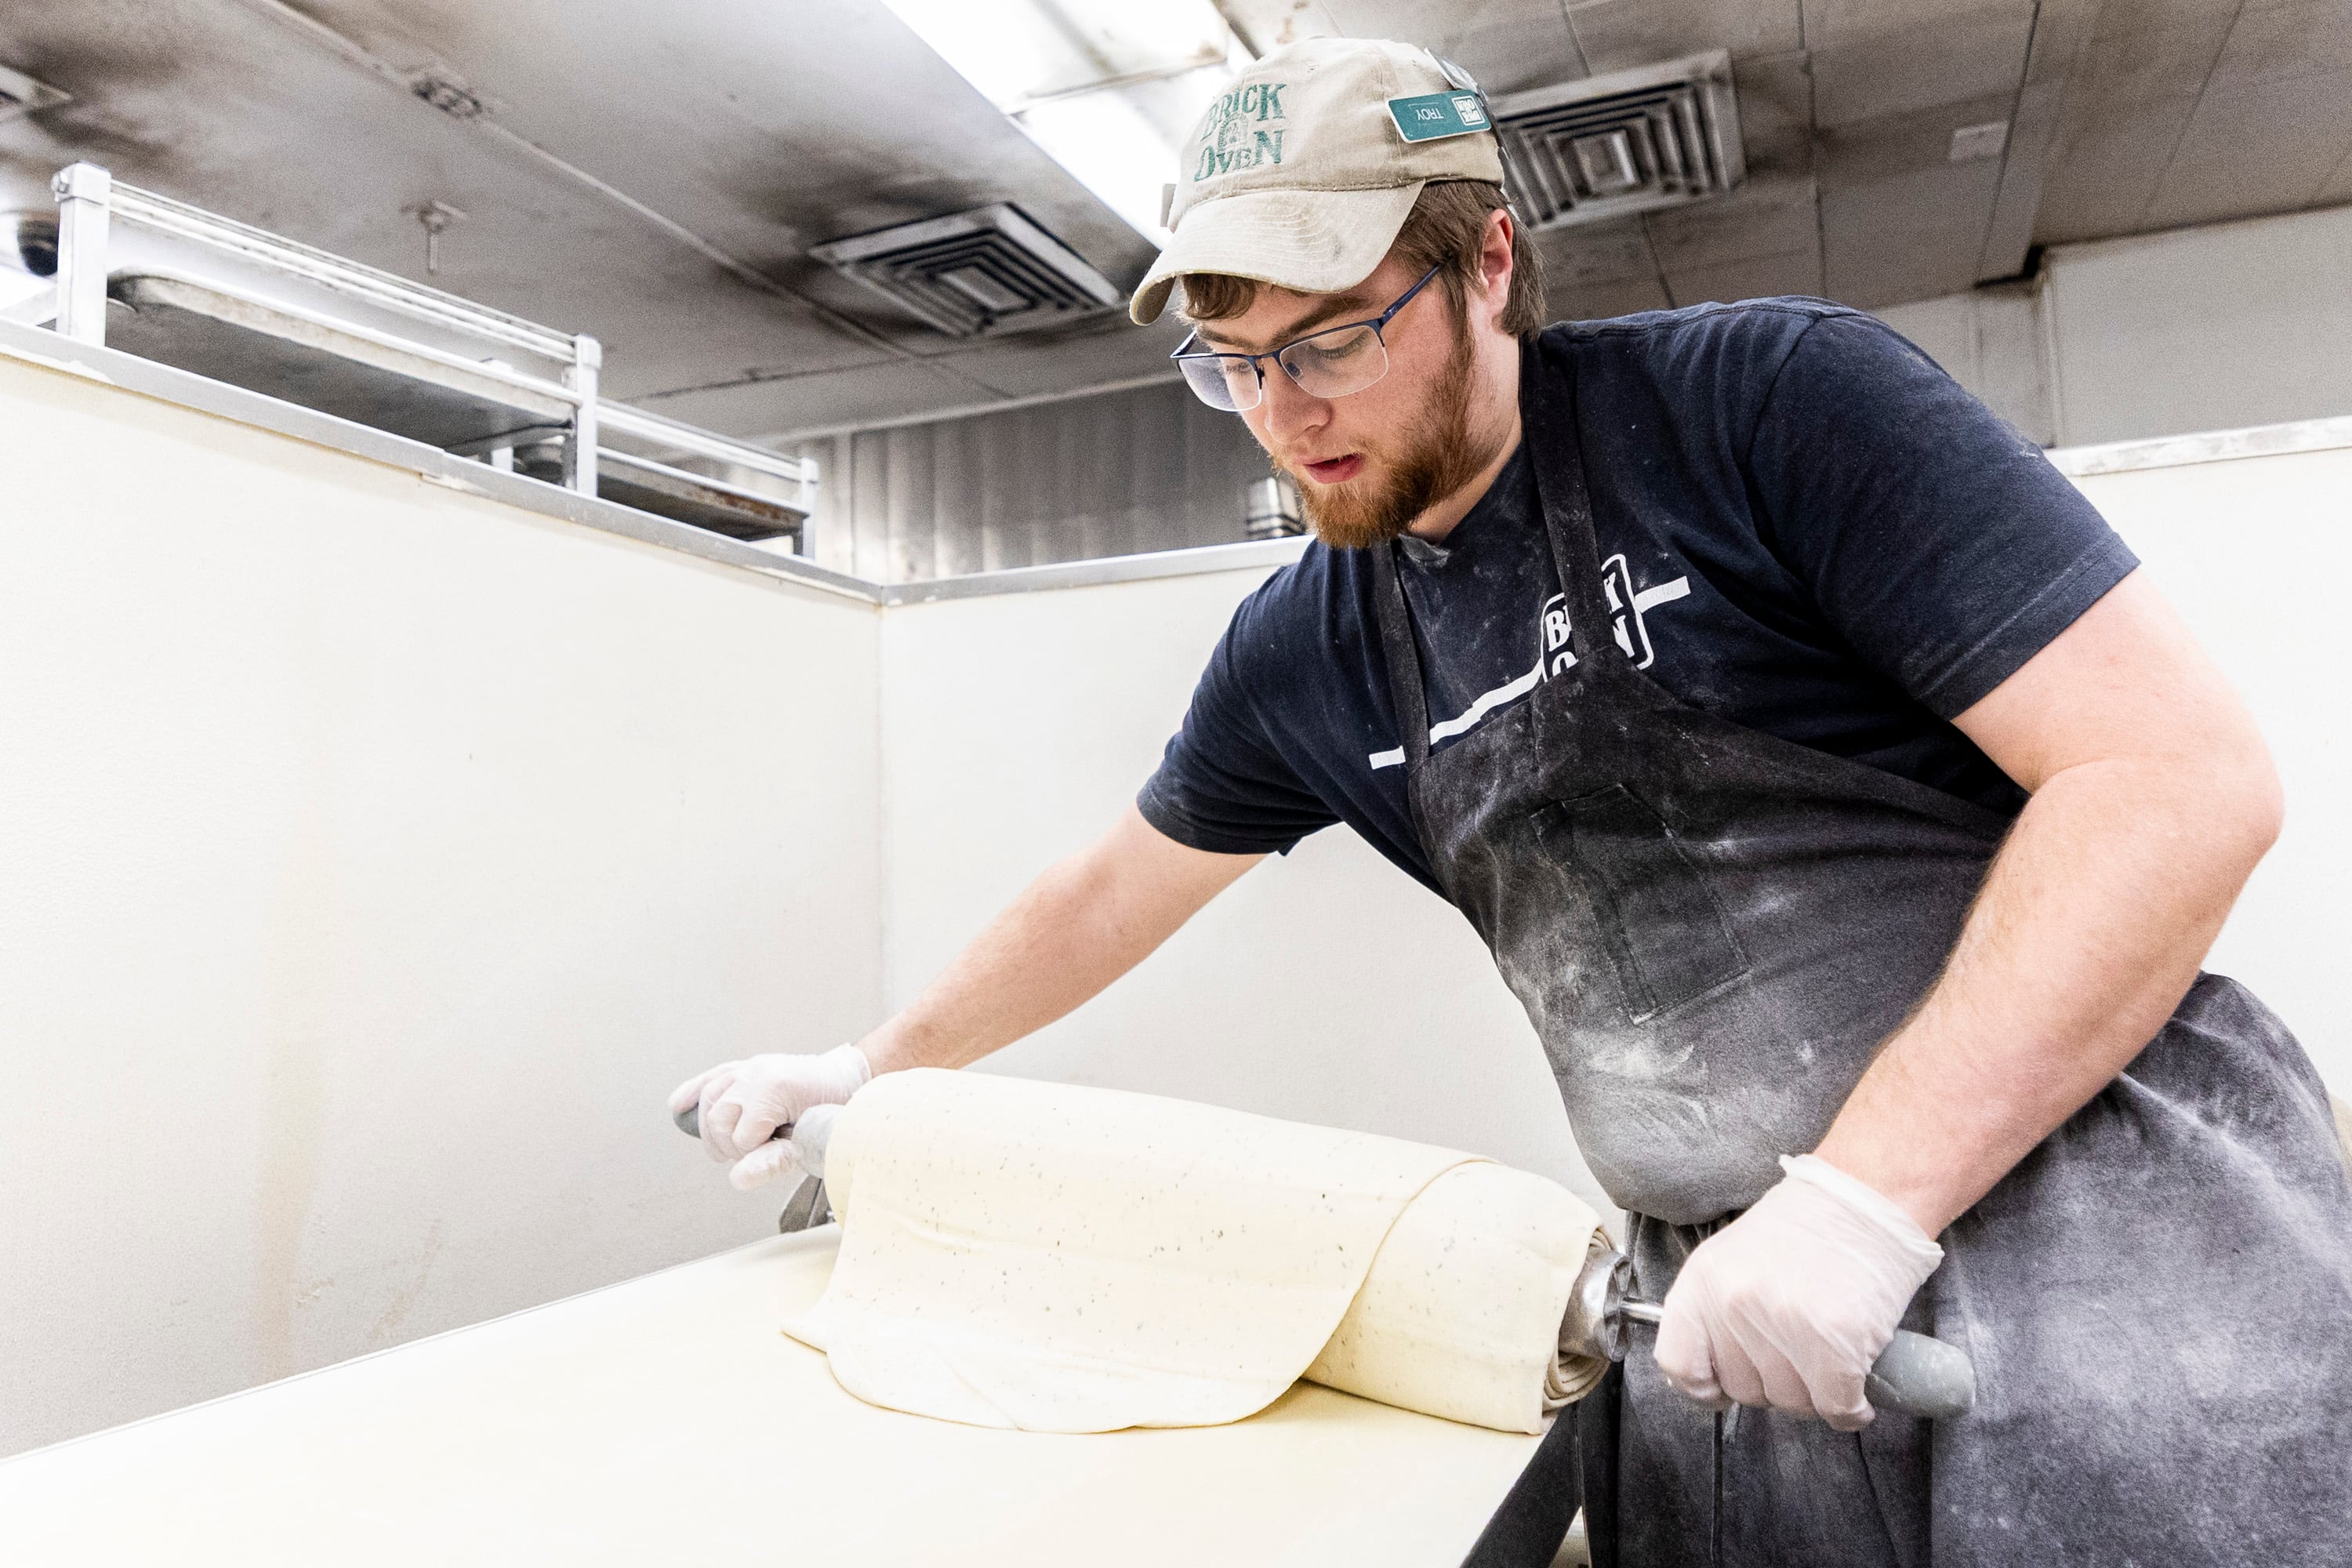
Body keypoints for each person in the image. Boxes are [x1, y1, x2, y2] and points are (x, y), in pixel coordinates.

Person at [672, 37, 2352, 1565]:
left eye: (1333, 338)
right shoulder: (1310, 649)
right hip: (1729, 1309)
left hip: (2111, 1235)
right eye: (1233, 362)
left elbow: (2175, 780)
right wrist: (874, 1072)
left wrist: (1862, 1202)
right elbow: (1114, 887)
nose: (1285, 410)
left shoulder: (1766, 408)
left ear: (1489, 263)